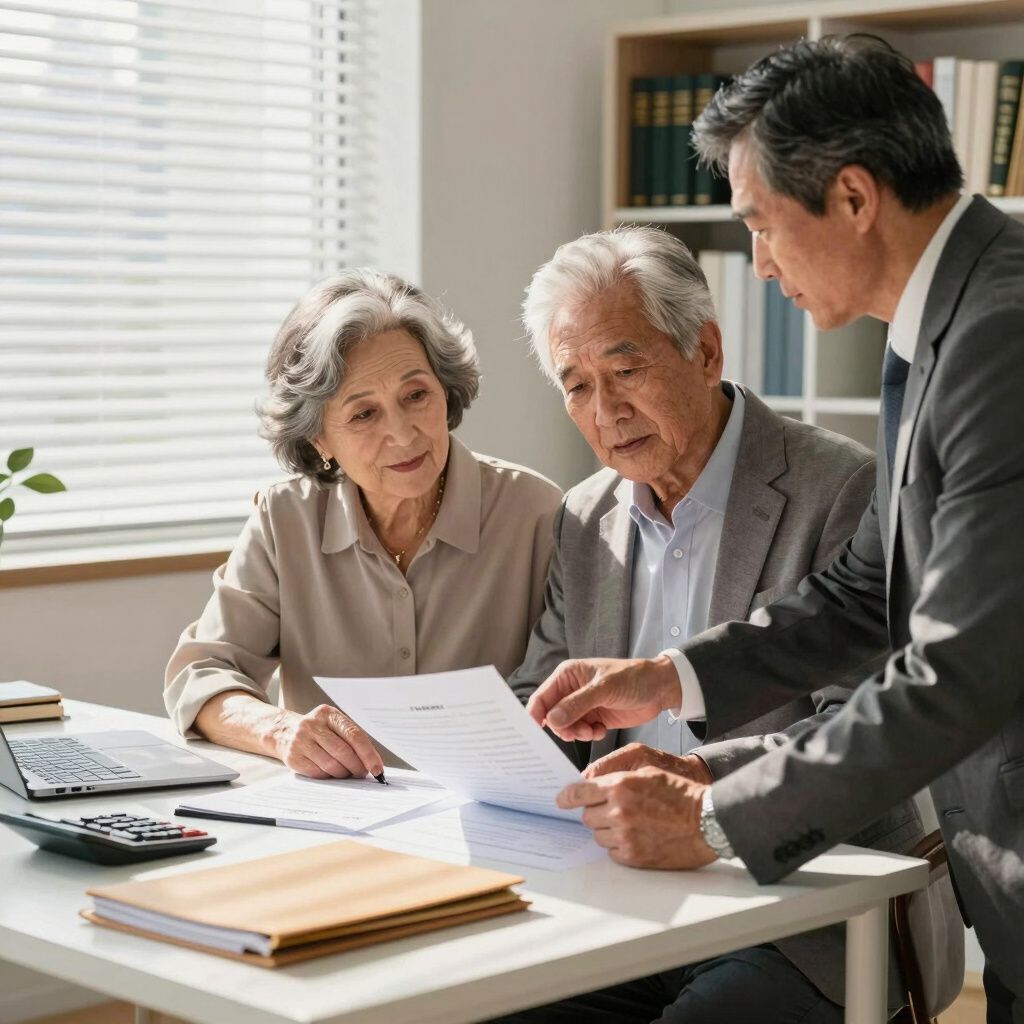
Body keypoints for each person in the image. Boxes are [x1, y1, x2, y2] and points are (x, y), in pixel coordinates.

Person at [527, 34, 1024, 1020]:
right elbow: (859, 591)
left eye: (759, 223)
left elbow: (957, 672)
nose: (754, 263)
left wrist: (713, 818)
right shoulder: (937, 333)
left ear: (850, 198)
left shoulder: (996, 339)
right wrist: (668, 678)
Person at [502, 225, 959, 1021]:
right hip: (617, 900)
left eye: (626, 368)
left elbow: (860, 725)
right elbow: (544, 700)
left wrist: (700, 788)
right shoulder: (582, 516)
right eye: (575, 385)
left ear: (706, 352)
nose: (606, 411)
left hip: (799, 903)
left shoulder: (844, 488)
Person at [165, 269, 561, 780]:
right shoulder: (285, 520)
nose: (402, 433)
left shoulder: (535, 513)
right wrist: (280, 730)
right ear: (318, 441)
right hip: (336, 826)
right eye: (364, 415)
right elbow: (201, 675)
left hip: (493, 822)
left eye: (416, 395)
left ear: (446, 392)